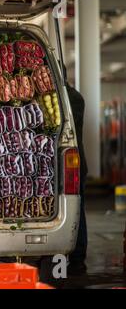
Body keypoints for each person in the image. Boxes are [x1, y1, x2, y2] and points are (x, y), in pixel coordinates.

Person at [66, 83, 88, 274]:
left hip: (74, 164)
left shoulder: (72, 98)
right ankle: (76, 256)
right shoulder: (75, 96)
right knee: (77, 208)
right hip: (76, 162)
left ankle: (77, 255)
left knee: (76, 210)